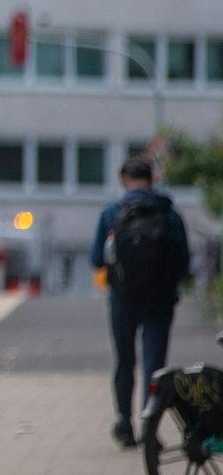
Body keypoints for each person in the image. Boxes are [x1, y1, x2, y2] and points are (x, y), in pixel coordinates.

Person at [90, 156, 191, 449]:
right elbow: (183, 263)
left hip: (123, 299)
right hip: (160, 300)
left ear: (124, 179)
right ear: (152, 179)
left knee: (124, 360)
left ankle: (124, 422)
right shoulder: (169, 213)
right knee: (154, 363)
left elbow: (97, 258)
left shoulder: (112, 212)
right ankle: (150, 425)